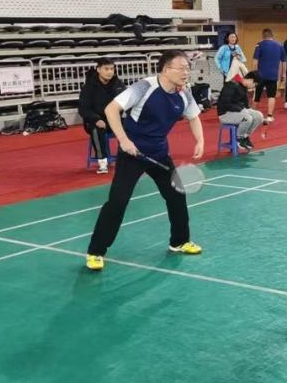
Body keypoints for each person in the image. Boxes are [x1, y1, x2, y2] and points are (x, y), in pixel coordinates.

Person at [84, 50, 205, 271]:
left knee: (176, 195)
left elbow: (194, 116)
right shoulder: (145, 87)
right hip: (133, 153)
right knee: (118, 202)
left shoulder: (184, 93)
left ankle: (179, 241)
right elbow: (111, 109)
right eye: (181, 68)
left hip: (159, 153)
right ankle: (96, 251)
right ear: (166, 69)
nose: (186, 73)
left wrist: (200, 140)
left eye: (188, 68)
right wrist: (123, 140)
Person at [78, 58, 125, 174]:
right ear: (98, 69)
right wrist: (96, 119)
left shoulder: (118, 84)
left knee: (130, 125)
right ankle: (102, 161)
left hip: (114, 119)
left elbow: (125, 101)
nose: (110, 72)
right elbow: (83, 109)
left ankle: (126, 157)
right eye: (106, 69)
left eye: (112, 69)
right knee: (97, 128)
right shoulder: (88, 87)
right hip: (94, 120)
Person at [216, 70, 265, 151]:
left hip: (237, 112)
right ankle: (239, 138)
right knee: (247, 118)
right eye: (255, 85)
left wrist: (248, 111)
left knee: (259, 116)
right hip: (225, 114)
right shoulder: (231, 85)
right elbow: (225, 103)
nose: (254, 87)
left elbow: (246, 106)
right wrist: (241, 110)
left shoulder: (243, 88)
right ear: (251, 80)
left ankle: (245, 136)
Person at [252, 28, 286, 124]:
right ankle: (270, 116)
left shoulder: (259, 45)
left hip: (260, 75)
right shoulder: (280, 45)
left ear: (263, 36)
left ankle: (254, 117)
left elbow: (255, 61)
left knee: (257, 95)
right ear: (272, 35)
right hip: (273, 75)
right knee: (271, 96)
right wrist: (283, 74)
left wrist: (254, 74)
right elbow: (284, 62)